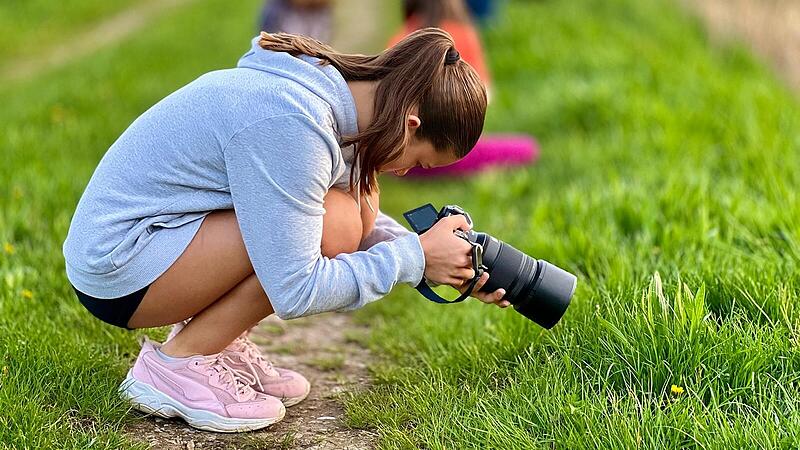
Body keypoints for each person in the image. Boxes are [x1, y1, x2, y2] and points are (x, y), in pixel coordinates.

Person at [62, 29, 507, 433]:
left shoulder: (330, 94)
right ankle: (177, 366)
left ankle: (218, 341)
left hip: (156, 241)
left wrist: (438, 256)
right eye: (420, 161)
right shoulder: (293, 124)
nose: (408, 173)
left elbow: (308, 214)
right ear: (413, 123)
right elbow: (296, 286)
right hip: (121, 268)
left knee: (352, 206)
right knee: (335, 223)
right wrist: (414, 258)